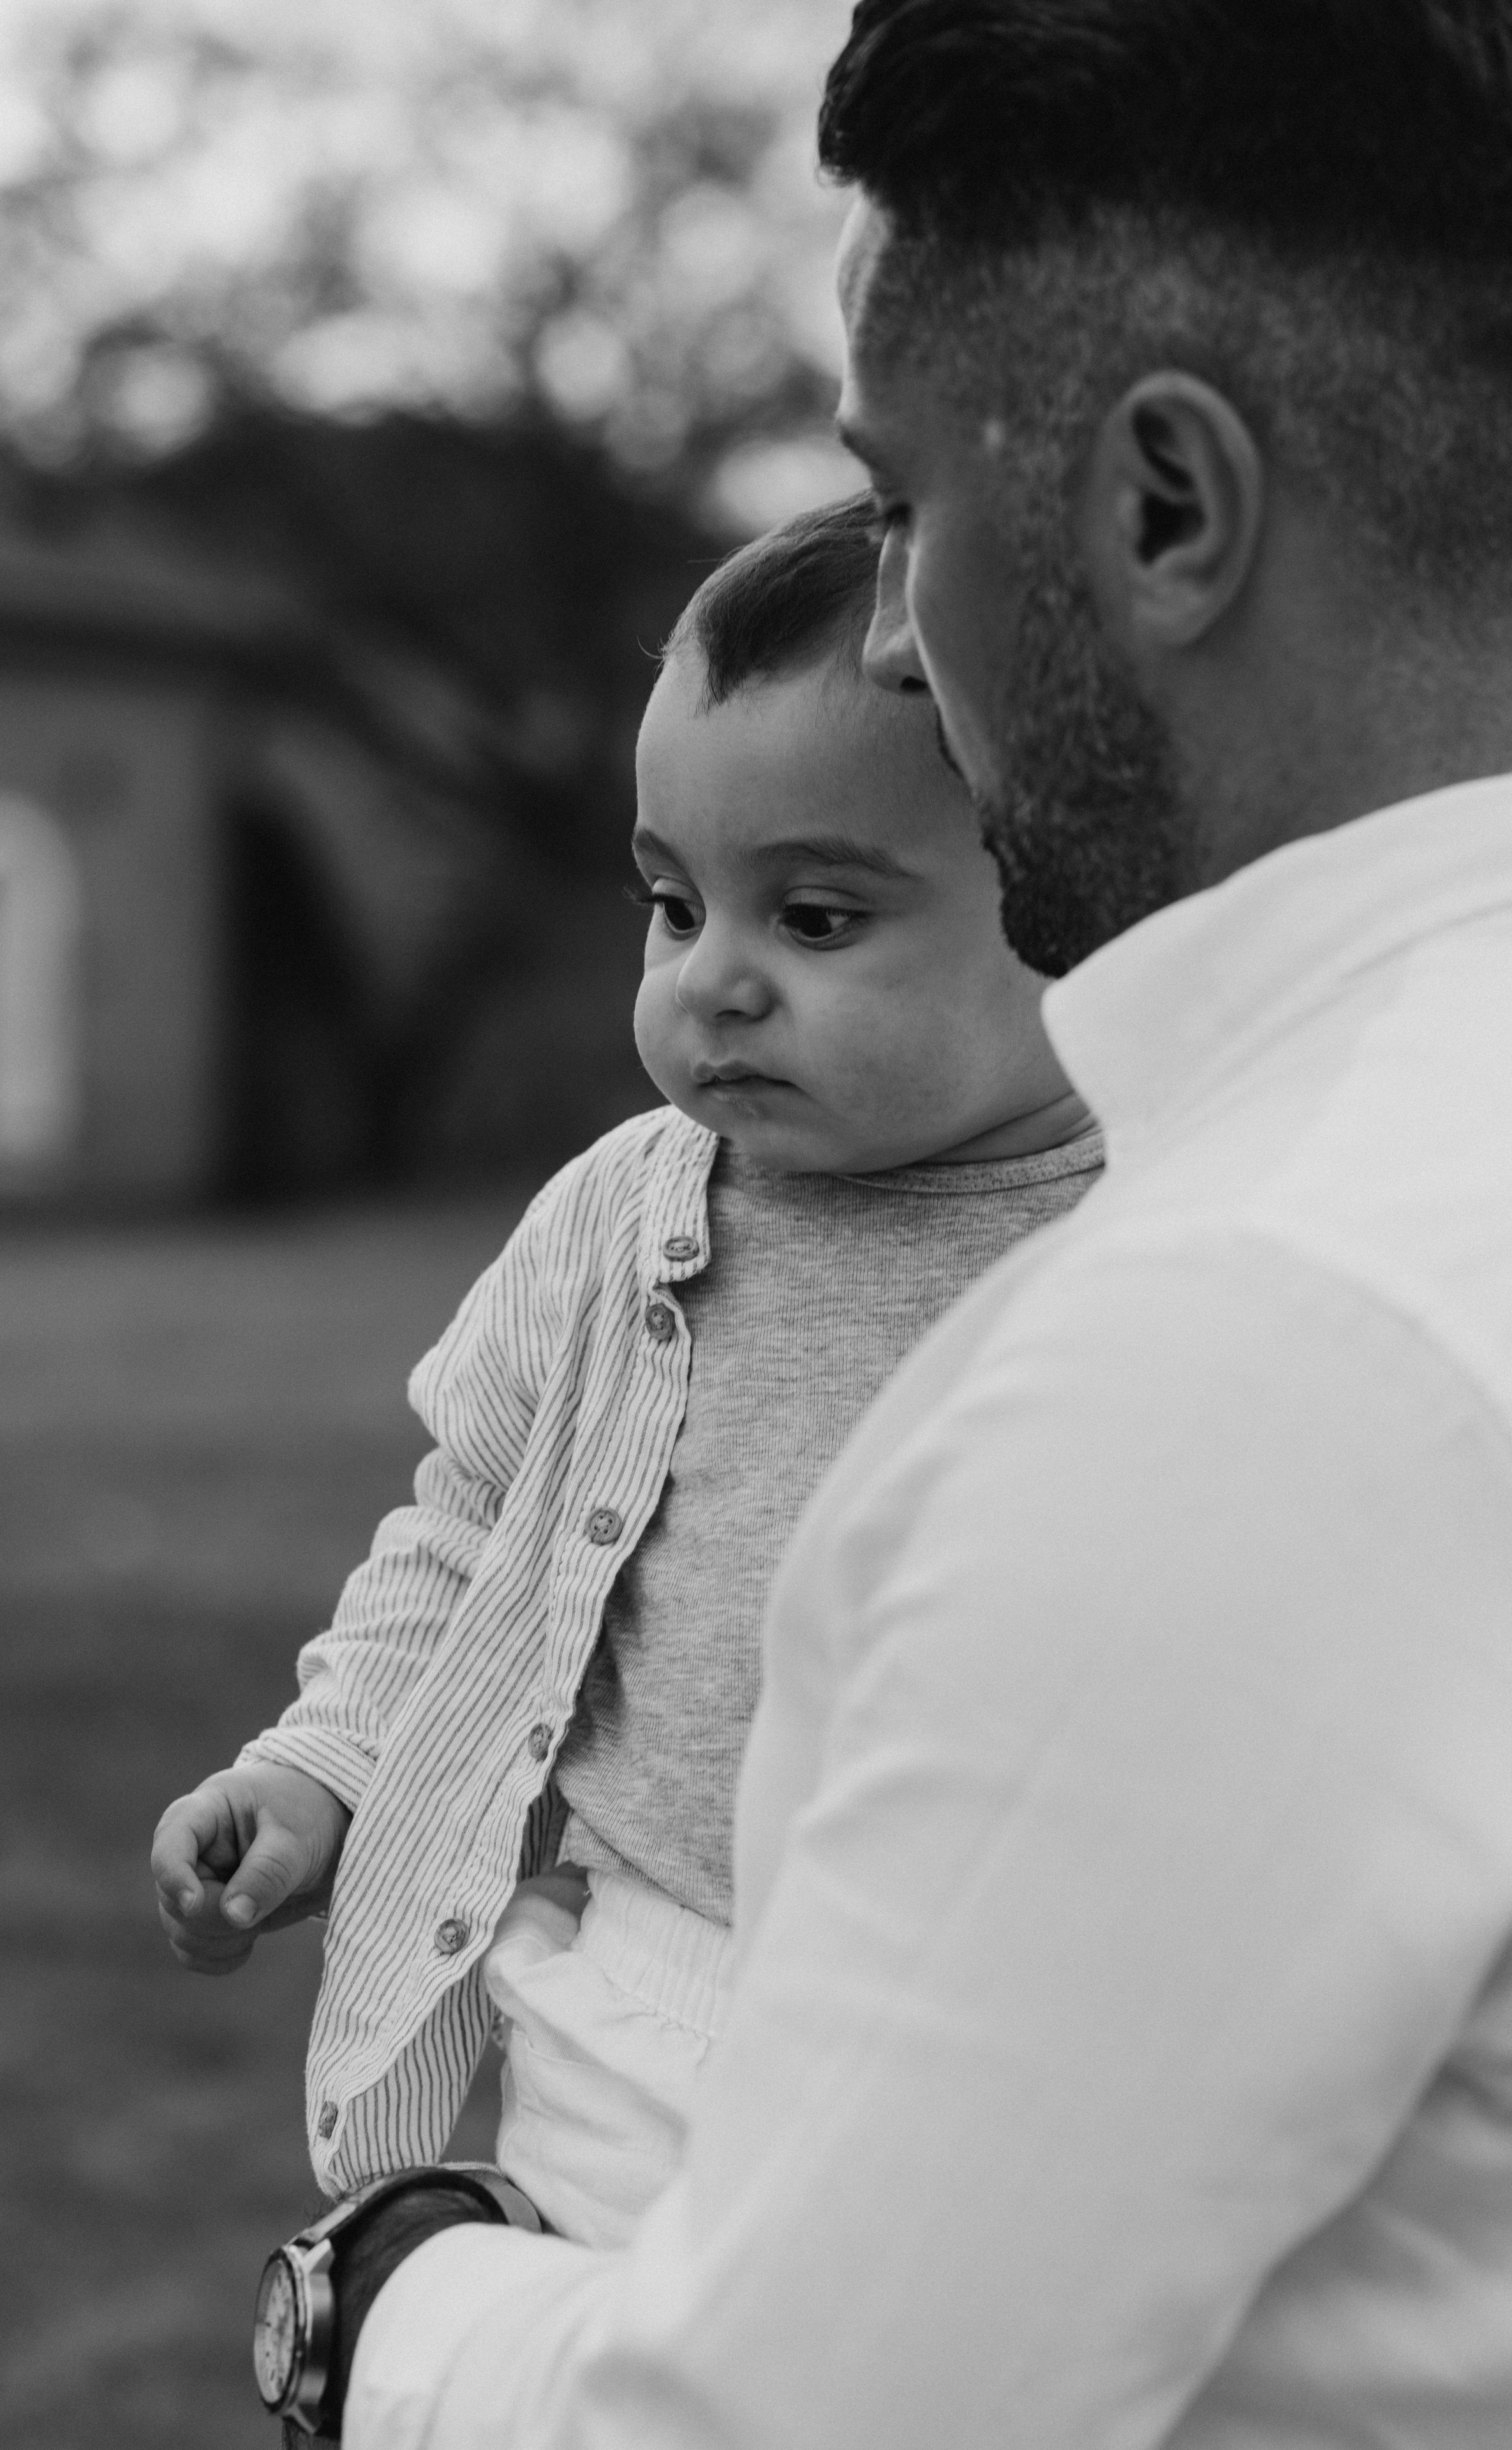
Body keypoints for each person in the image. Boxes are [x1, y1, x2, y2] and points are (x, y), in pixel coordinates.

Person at [269, 3, 1512, 2446]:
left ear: (1166, 513)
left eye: (903, 511)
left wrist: (385, 2305)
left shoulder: (1239, 1350)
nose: (892, 631)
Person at [150, 495, 1102, 2252]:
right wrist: (326, 1767)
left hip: (998, 2033)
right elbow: (466, 1534)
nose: (714, 983)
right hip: (636, 1993)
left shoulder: (1159, 1229)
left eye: (815, 919)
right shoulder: (628, 1214)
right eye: (675, 905)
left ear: (1076, 900)